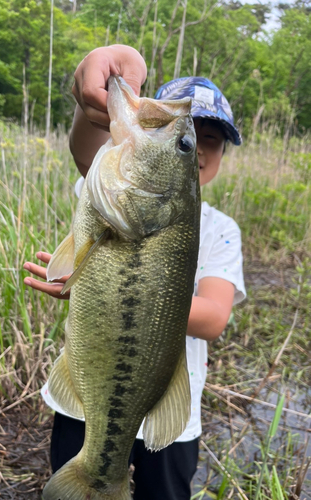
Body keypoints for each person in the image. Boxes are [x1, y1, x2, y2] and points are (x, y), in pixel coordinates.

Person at [23, 45, 246, 500]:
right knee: (83, 470)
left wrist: (102, 291)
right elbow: (86, 147)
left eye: (208, 140)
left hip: (169, 416)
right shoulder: (114, 187)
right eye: (186, 135)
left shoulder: (222, 229)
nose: (199, 150)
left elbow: (214, 318)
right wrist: (94, 93)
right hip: (91, 398)